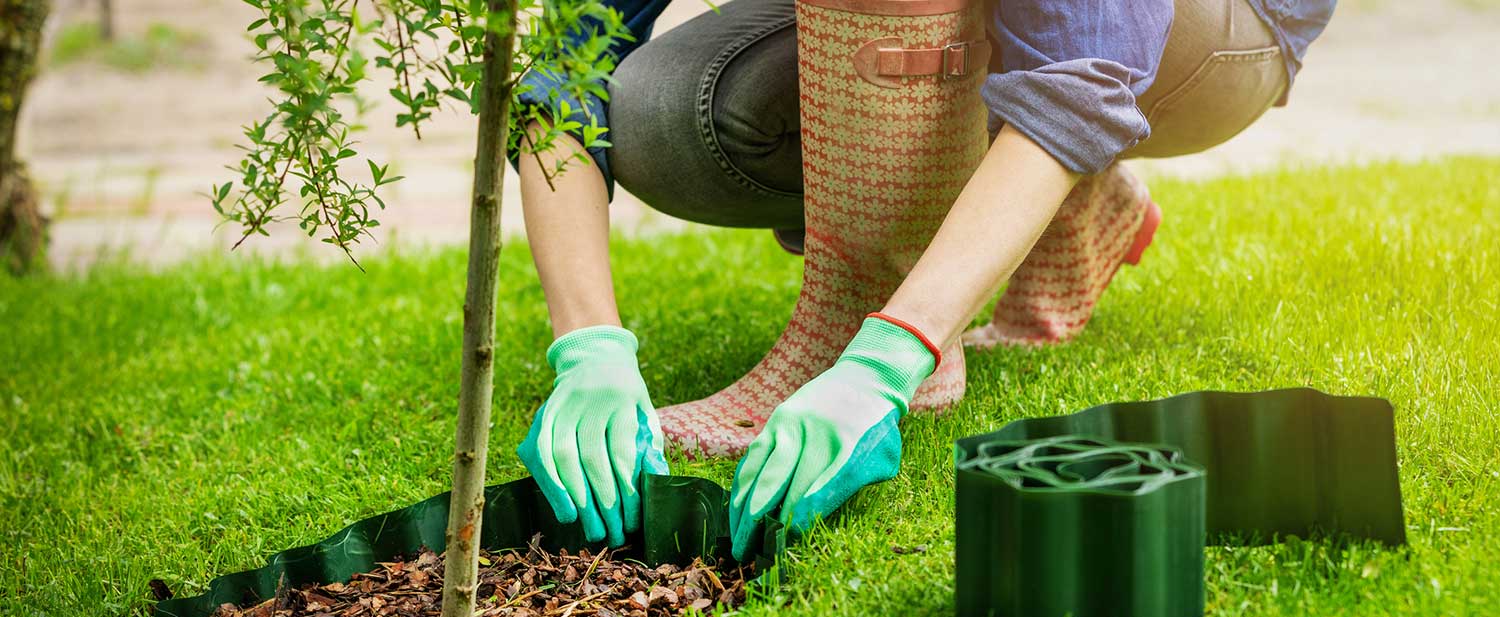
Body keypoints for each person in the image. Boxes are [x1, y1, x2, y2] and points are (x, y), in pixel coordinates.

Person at [515, 0, 1336, 558]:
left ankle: (866, 312)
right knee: (662, 112)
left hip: (1214, 30)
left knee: (1057, 70)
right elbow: (567, 68)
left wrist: (886, 359)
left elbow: (1085, 68)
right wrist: (588, 345)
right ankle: (1050, 196)